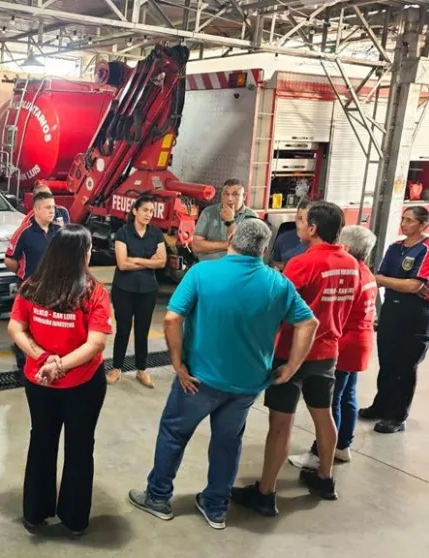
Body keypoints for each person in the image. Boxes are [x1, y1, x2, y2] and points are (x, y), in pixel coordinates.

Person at [127, 219, 317, 530]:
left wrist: (178, 363)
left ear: (230, 238)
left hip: (198, 380)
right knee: (228, 443)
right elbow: (308, 323)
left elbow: (173, 319)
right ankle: (216, 506)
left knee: (174, 434)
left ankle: (158, 497)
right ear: (264, 248)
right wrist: (292, 367)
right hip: (247, 384)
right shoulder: (278, 283)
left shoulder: (203, 272)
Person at [233, 201, 360, 514]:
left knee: (281, 424)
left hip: (292, 355)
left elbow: (278, 308)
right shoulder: (351, 263)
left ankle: (265, 492)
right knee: (324, 415)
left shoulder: (303, 263)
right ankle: (325, 478)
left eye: (302, 220)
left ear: (314, 228)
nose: (298, 224)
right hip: (328, 353)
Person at [7, 224, 113, 536]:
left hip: (39, 382)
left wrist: (43, 359)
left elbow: (16, 329)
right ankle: (74, 518)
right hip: (82, 383)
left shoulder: (32, 286)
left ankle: (35, 513)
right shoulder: (93, 292)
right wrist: (60, 365)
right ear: (83, 254)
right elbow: (96, 343)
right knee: (80, 448)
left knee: (41, 441)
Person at [290, 225, 377, 469]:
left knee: (330, 403)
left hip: (345, 344)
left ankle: (320, 454)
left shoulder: (352, 273)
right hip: (361, 342)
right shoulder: (367, 273)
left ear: (347, 248)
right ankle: (342, 446)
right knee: (348, 396)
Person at [360, 206, 429, 434]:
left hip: (415, 314)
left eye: (409, 220)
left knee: (405, 366)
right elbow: (379, 278)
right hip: (392, 309)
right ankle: (381, 405)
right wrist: (392, 281)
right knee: (387, 362)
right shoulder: (395, 248)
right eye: (403, 219)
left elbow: (416, 285)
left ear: (423, 225)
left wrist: (388, 280)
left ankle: (397, 416)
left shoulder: (428, 249)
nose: (403, 224)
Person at [107, 194, 165, 388]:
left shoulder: (156, 233)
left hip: (147, 290)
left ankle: (142, 369)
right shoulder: (123, 233)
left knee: (143, 330)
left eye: (151, 211)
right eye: (145, 210)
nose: (149, 214)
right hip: (124, 289)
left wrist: (136, 259)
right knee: (123, 329)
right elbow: (122, 264)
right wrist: (149, 262)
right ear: (135, 211)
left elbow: (162, 262)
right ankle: (116, 368)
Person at [5, 192, 62, 380]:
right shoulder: (25, 232)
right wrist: (25, 277)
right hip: (30, 289)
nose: (52, 211)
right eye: (47, 207)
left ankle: (47, 364)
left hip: (53, 289)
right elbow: (9, 260)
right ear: (36, 210)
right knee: (25, 329)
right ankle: (23, 369)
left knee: (47, 329)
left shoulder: (58, 231)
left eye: (53, 207)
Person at [192, 179, 258, 262]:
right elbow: (196, 246)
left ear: (244, 196)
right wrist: (228, 245)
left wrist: (230, 220)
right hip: (209, 267)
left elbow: (248, 251)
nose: (229, 199)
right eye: (226, 194)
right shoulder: (208, 212)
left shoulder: (251, 217)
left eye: (235, 194)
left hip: (237, 268)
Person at [270, 200, 309, 270]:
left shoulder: (317, 241)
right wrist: (290, 270)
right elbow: (275, 260)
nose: (303, 223)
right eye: (300, 218)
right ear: (295, 218)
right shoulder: (282, 239)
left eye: (307, 219)